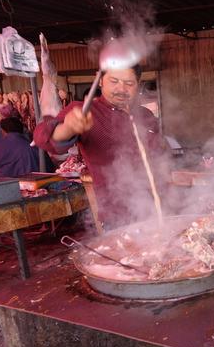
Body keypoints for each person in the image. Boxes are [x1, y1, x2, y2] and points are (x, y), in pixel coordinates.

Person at [34, 64, 163, 228]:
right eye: (114, 81)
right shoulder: (85, 111)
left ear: (138, 84)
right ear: (100, 80)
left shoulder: (146, 115)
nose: (121, 88)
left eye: (129, 83)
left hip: (156, 207)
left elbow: (160, 155)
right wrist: (68, 128)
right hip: (117, 214)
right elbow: (43, 137)